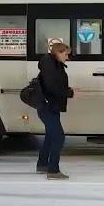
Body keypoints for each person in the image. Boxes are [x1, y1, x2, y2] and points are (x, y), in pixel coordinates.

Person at [36, 43, 74, 180]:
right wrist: (69, 92)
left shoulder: (53, 65)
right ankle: (53, 170)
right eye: (66, 54)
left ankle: (42, 164)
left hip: (51, 106)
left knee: (51, 136)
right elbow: (53, 87)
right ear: (58, 52)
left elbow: (56, 85)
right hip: (47, 107)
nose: (67, 57)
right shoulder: (49, 66)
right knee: (59, 137)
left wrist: (68, 91)